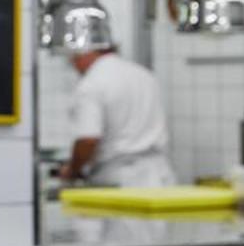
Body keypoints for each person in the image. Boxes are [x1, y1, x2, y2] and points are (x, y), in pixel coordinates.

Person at [59, 43, 176, 189]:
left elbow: (88, 139)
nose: (74, 65)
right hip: (159, 175)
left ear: (86, 53)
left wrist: (72, 170)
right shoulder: (143, 74)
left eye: (73, 58)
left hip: (120, 180)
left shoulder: (92, 84)